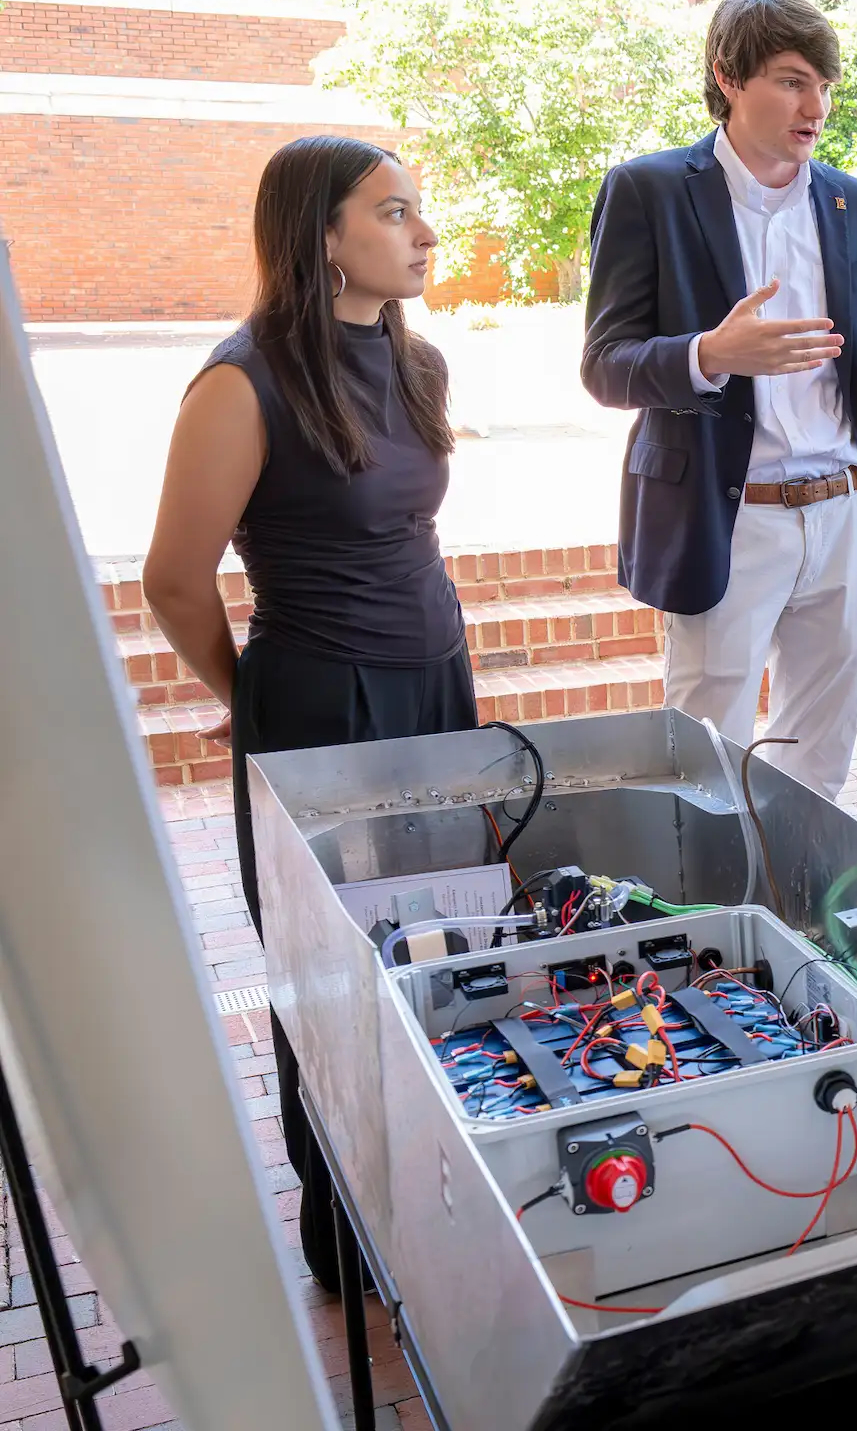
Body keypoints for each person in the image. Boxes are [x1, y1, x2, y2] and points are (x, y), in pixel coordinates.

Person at [142, 134, 473, 1289]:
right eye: (393, 212)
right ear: (323, 236)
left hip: (437, 682)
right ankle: (347, 1237)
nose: (423, 231)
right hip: (320, 700)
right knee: (333, 982)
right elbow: (175, 578)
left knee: (449, 942)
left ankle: (448, 1207)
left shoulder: (415, 360)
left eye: (419, 209)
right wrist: (260, 705)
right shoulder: (243, 381)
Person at [581, 0, 857, 798]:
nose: (817, 105)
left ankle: (791, 914)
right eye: (794, 81)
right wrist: (709, 352)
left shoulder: (852, 203)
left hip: (847, 514)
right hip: (726, 517)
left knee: (819, 762)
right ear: (728, 77)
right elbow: (605, 364)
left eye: (826, 86)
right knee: (706, 760)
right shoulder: (650, 191)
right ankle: (716, 920)